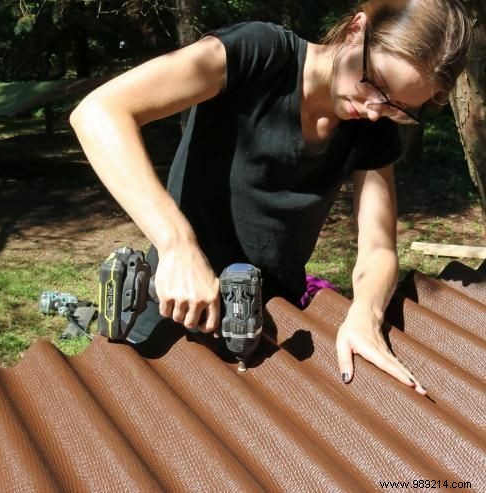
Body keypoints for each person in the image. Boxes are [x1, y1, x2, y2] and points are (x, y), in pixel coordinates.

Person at [70, 0, 472, 395]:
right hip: (168, 308)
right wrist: (177, 246)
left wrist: (365, 313)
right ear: (356, 30)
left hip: (261, 329)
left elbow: (378, 247)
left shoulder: (372, 129)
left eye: (398, 107)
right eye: (376, 83)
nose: (373, 110)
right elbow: (98, 112)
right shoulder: (258, 54)